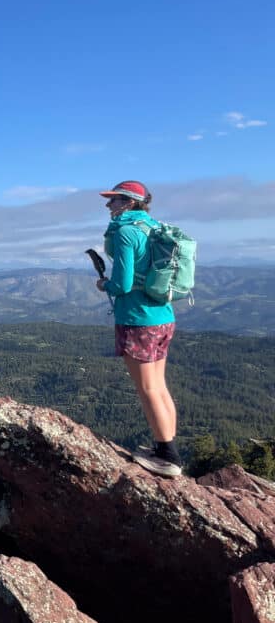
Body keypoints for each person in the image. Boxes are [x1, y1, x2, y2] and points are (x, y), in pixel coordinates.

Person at [97, 180, 181, 477]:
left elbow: (123, 283)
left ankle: (168, 457)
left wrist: (104, 284)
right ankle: (165, 449)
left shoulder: (126, 232)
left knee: (147, 389)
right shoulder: (153, 228)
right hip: (163, 316)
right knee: (159, 386)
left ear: (130, 203)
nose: (109, 205)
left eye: (114, 200)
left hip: (138, 319)